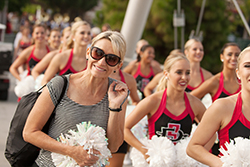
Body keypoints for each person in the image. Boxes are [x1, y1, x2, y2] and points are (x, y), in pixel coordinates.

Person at [23, 30, 129, 166]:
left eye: (111, 59)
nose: (102, 62)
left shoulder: (118, 94)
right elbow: (29, 132)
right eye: (98, 53)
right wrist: (71, 151)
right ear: (88, 52)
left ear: (118, 65)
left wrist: (114, 107)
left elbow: (113, 146)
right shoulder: (60, 84)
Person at [124, 53, 207, 161]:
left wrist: (198, 154)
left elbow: (212, 133)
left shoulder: (195, 103)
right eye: (179, 72)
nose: (184, 77)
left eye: (187, 73)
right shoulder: (153, 101)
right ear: (166, 74)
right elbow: (124, 128)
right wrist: (145, 151)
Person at [186, 46, 250, 167]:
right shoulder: (222, 106)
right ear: (238, 73)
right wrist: (224, 165)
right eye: (247, 66)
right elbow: (193, 147)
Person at [108, 62, 140, 167]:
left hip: (117, 127)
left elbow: (136, 101)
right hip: (95, 129)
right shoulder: (96, 74)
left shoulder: (128, 79)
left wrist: (127, 103)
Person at [41, 21, 91, 85]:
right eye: (82, 33)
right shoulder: (61, 57)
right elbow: (45, 81)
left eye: (89, 33)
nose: (86, 36)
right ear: (73, 36)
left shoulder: (92, 60)